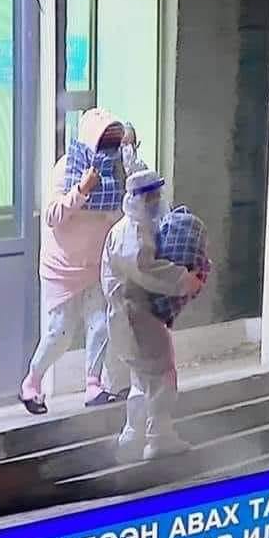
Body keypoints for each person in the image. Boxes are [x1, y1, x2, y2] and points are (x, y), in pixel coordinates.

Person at [19, 108, 133, 414]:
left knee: (100, 324)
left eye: (113, 143)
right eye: (103, 142)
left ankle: (94, 384)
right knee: (59, 333)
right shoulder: (65, 169)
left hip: (96, 264)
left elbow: (122, 213)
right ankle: (32, 383)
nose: (108, 151)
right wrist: (82, 190)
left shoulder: (116, 173)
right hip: (62, 268)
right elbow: (52, 215)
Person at [102, 169, 205, 460]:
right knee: (161, 376)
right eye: (152, 196)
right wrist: (185, 279)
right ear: (138, 198)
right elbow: (147, 270)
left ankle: (133, 434)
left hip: (131, 316)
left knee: (142, 379)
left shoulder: (134, 228)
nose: (157, 201)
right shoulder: (131, 233)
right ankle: (159, 437)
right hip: (135, 316)